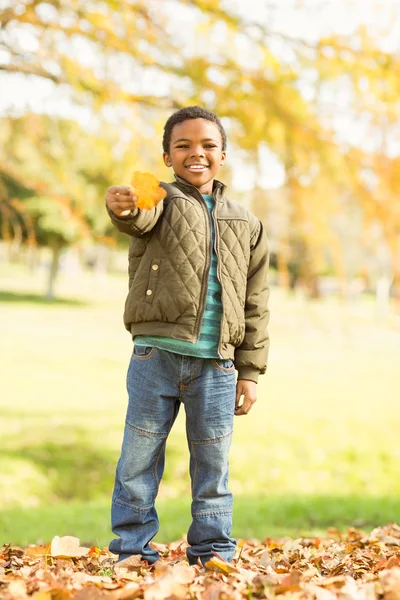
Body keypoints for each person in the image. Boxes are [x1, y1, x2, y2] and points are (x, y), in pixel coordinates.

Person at [105, 105, 270, 566]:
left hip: (217, 364)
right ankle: (133, 549)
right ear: (166, 156)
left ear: (223, 154)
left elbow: (256, 303)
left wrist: (250, 371)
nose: (196, 153)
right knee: (138, 459)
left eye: (207, 145)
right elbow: (134, 217)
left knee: (213, 465)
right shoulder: (159, 200)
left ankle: (212, 549)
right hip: (155, 355)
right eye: (183, 145)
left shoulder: (247, 222)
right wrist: (122, 205)